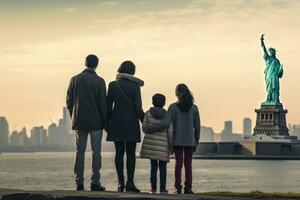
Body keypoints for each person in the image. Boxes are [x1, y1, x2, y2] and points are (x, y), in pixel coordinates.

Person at [66, 54, 107, 191]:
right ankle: (95, 182)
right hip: (96, 122)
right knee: (96, 152)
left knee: (80, 152)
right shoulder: (100, 81)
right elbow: (102, 104)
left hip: (79, 121)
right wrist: (105, 122)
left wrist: (74, 116)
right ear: (96, 64)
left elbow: (69, 101)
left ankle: (79, 183)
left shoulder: (75, 79)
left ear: (85, 63)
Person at [106, 61, 144, 192]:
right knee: (131, 154)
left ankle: (120, 183)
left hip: (116, 123)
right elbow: (138, 108)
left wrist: (107, 124)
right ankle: (130, 183)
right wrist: (145, 121)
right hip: (132, 123)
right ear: (132, 71)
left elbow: (108, 107)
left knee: (119, 154)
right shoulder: (135, 86)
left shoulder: (112, 85)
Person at [168, 83, 200, 194]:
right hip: (190, 140)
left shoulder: (172, 108)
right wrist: (196, 141)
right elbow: (197, 127)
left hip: (177, 140)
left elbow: (169, 127)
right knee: (188, 164)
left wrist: (169, 143)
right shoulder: (194, 108)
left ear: (177, 93)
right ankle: (188, 187)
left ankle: (178, 187)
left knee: (178, 164)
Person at [141, 93, 173, 194]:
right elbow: (170, 132)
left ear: (152, 102)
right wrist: (171, 146)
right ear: (164, 103)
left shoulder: (147, 113)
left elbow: (144, 128)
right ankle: (163, 189)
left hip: (151, 145)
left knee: (153, 167)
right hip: (163, 146)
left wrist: (152, 128)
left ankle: (153, 188)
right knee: (163, 168)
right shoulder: (167, 115)